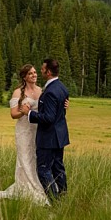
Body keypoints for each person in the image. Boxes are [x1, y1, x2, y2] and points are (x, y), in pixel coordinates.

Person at [0, 64, 49, 205]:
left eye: (35, 72)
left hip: (38, 129)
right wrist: (22, 111)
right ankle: (26, 188)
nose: (34, 75)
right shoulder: (18, 93)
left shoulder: (41, 91)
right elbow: (13, 114)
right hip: (24, 131)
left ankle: (38, 186)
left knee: (36, 158)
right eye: (30, 73)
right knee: (24, 158)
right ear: (24, 77)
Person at [20, 57, 69, 202]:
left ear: (48, 72)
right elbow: (59, 111)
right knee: (58, 168)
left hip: (48, 138)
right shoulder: (62, 88)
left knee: (43, 169)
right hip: (60, 136)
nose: (40, 71)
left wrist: (28, 113)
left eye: (41, 69)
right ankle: (63, 197)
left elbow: (48, 117)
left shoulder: (50, 92)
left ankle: (55, 201)